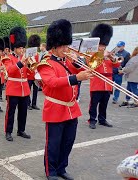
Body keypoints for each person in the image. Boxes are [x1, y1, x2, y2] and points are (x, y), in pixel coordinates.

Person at [37, 19, 93, 180]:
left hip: (71, 108)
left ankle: (62, 168)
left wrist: (79, 61)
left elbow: (82, 69)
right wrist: (76, 78)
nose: (66, 49)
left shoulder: (67, 60)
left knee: (68, 141)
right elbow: (52, 82)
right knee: (53, 143)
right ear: (54, 46)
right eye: (63, 46)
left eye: (67, 45)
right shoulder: (45, 63)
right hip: (55, 108)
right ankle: (51, 171)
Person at [88, 24, 120, 129]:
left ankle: (102, 119)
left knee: (104, 104)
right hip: (97, 82)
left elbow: (116, 65)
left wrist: (112, 57)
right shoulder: (92, 54)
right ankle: (92, 120)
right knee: (94, 104)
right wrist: (103, 55)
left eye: (103, 46)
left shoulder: (108, 54)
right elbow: (92, 65)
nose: (102, 47)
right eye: (100, 45)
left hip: (108, 83)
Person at [3, 26, 31, 142]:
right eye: (19, 48)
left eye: (23, 48)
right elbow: (9, 71)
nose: (22, 50)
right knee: (11, 112)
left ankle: (21, 130)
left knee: (23, 111)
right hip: (13, 89)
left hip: (24, 88)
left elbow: (29, 74)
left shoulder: (25, 58)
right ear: (14, 48)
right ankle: (8, 131)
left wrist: (30, 65)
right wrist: (20, 63)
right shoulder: (8, 58)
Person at [26, 34, 41, 110]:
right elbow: (26, 64)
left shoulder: (37, 54)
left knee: (35, 90)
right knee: (28, 90)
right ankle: (28, 103)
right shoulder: (27, 53)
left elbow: (38, 64)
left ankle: (34, 104)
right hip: (29, 74)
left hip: (35, 75)